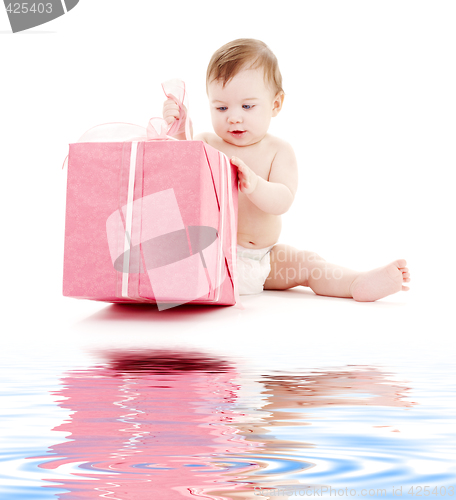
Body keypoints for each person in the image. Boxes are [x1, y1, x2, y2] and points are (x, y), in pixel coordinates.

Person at [163, 38, 410, 301]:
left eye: (247, 106)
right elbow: (181, 167)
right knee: (173, 250)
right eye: (221, 107)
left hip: (267, 260)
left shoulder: (278, 151)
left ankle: (355, 283)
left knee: (309, 264)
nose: (233, 117)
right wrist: (179, 128)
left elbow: (283, 199)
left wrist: (256, 186)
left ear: (276, 104)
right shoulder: (207, 143)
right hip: (215, 256)